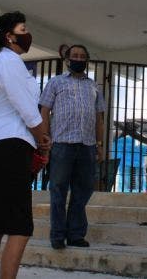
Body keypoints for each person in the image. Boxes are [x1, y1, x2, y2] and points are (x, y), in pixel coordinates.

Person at [0, 11, 51, 279]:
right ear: (9, 36)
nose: (27, 33)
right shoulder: (10, 63)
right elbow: (28, 110)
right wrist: (43, 140)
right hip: (11, 146)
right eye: (23, 28)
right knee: (20, 227)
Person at [39, 44, 106, 250]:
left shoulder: (94, 86)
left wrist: (100, 144)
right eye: (74, 56)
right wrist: (44, 138)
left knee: (83, 190)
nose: (78, 58)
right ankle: (58, 235)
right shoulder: (55, 83)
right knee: (58, 189)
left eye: (82, 56)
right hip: (61, 144)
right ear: (67, 60)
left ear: (87, 60)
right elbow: (44, 111)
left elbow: (99, 118)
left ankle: (76, 234)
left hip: (87, 146)